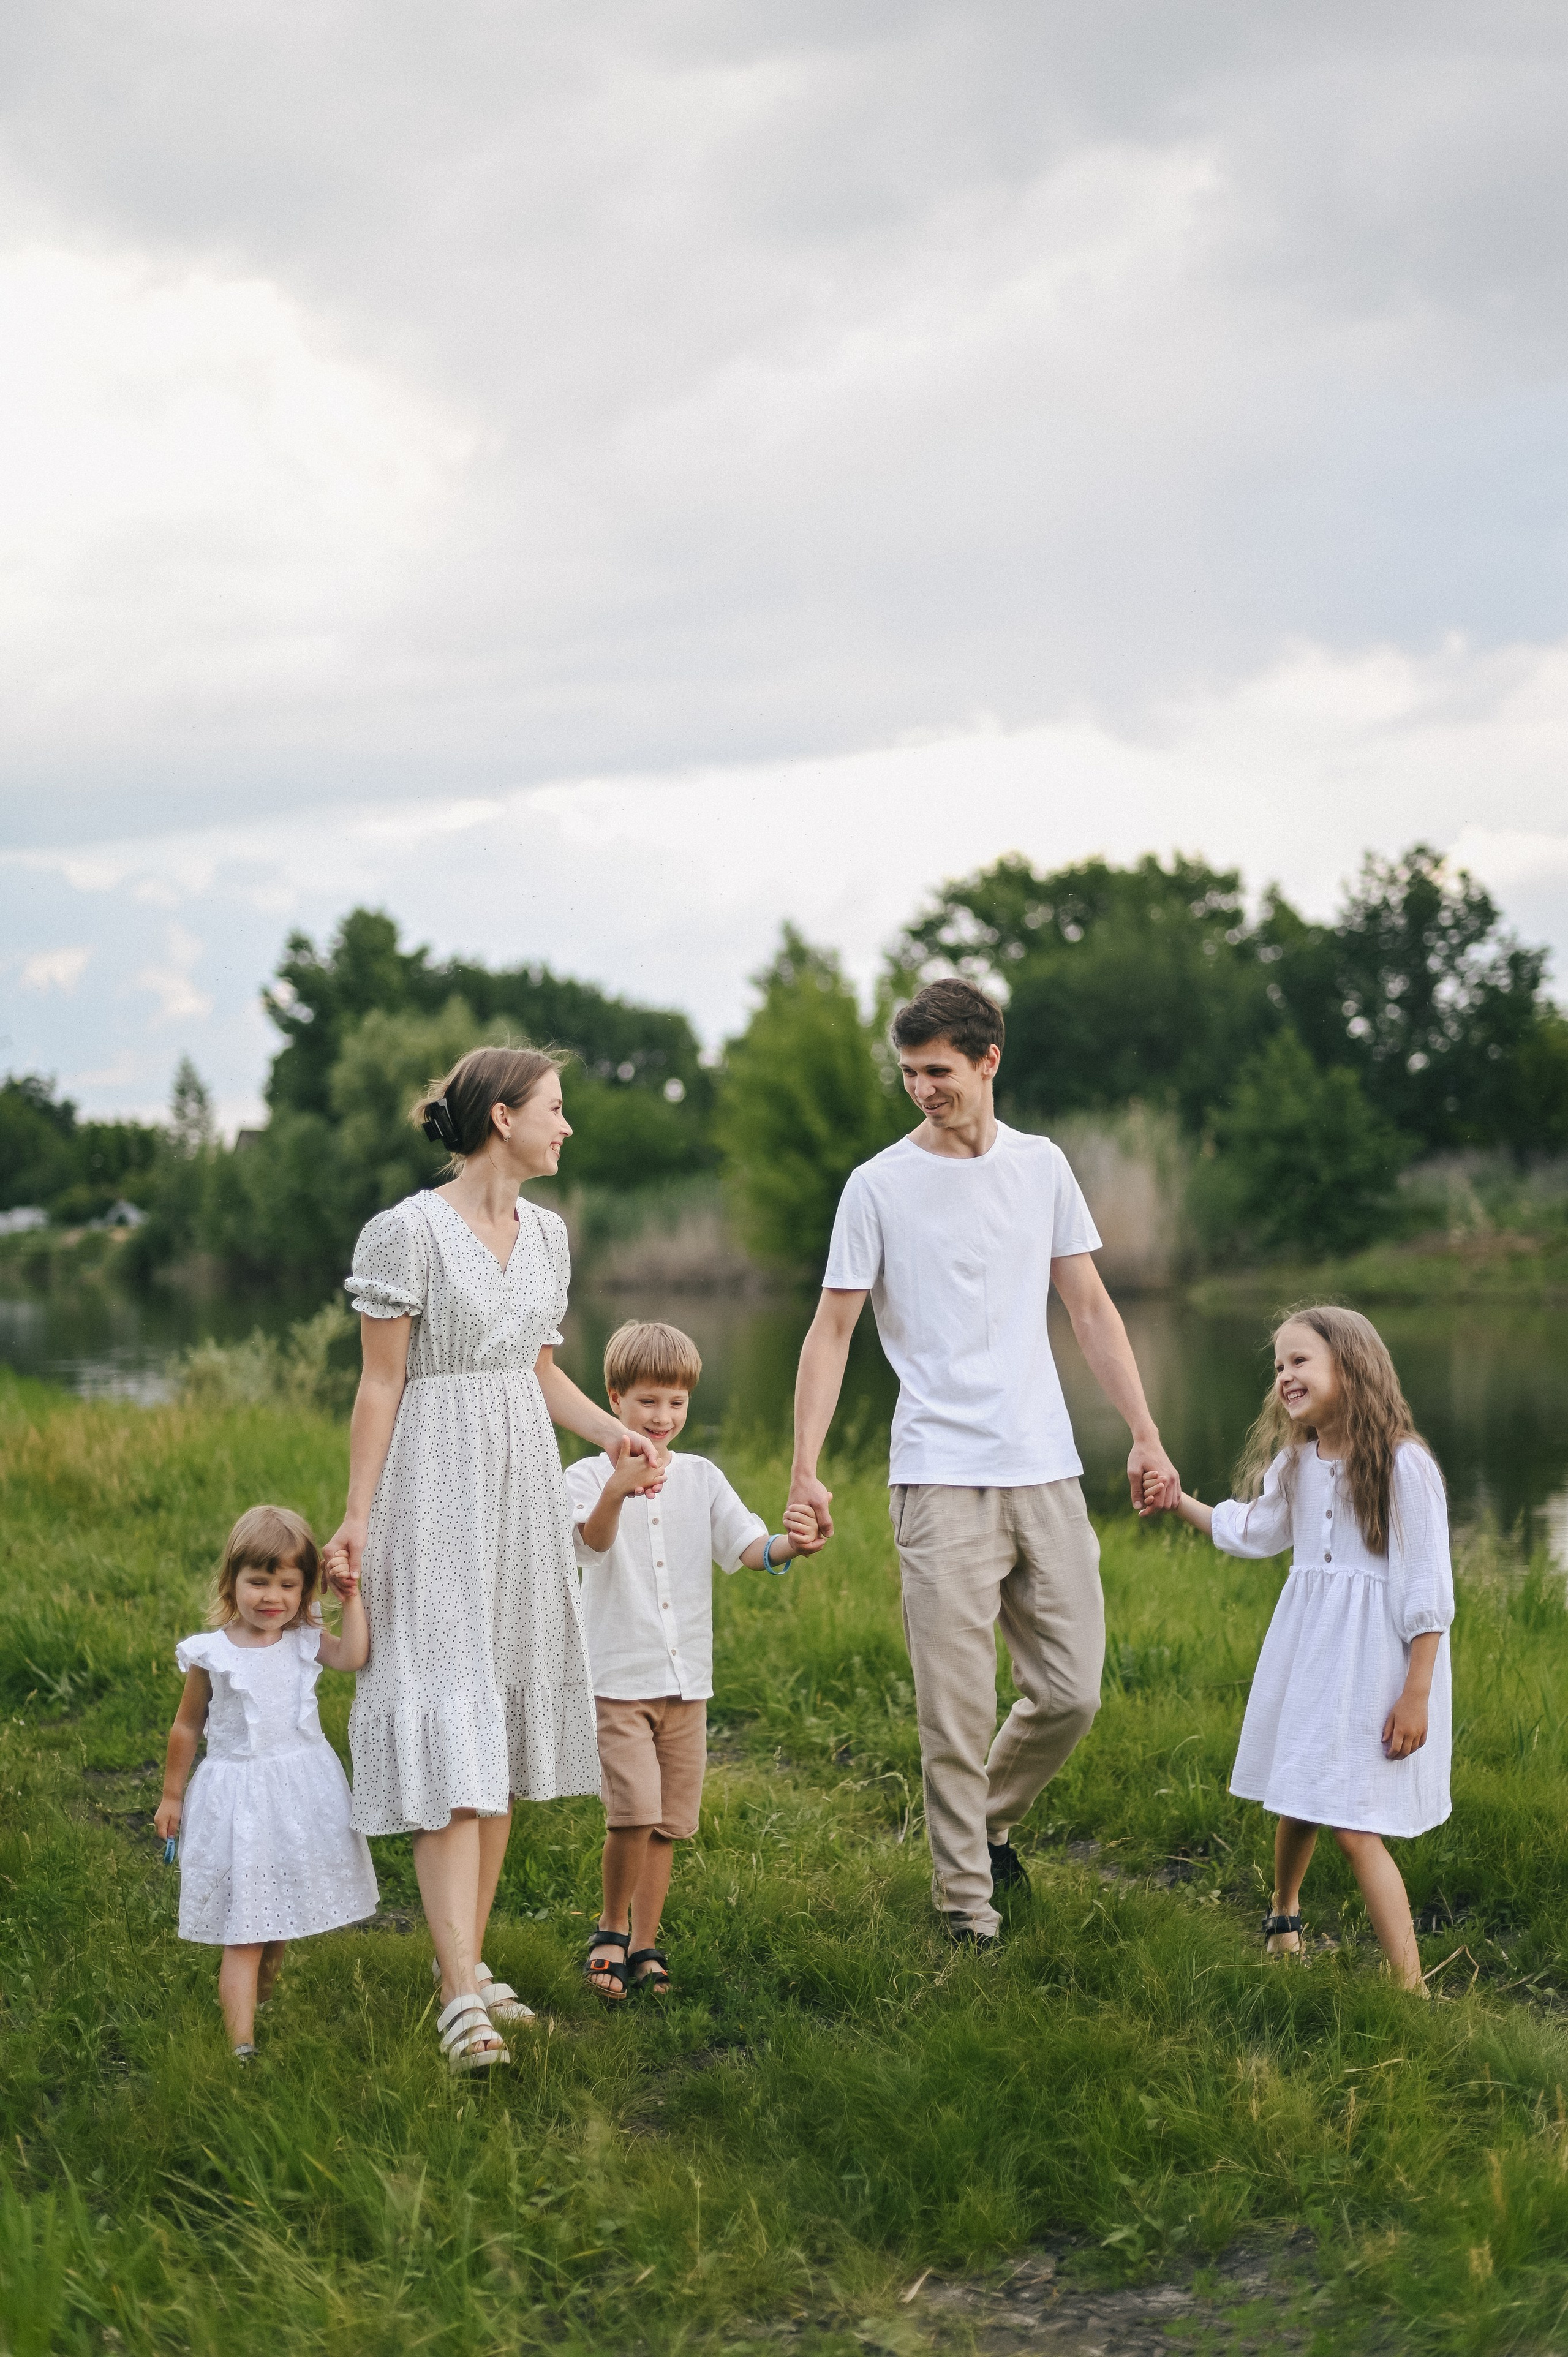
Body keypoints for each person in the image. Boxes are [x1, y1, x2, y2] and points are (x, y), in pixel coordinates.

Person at [788, 976, 1180, 1946]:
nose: (923, 1088)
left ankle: (989, 1825)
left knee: (1072, 1688)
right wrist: (804, 1466)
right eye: (911, 1073)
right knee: (955, 1713)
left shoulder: (1042, 1167)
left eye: (939, 1070)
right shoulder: (877, 1185)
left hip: (1044, 1464)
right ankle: (966, 1904)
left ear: (988, 1059)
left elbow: (1089, 1307)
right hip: (938, 1474)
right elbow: (832, 1332)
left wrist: (1145, 1432)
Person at [324, 1044, 663, 2075]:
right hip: (434, 1487)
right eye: (556, 1109)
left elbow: (541, 1372)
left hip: (519, 1483)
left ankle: (459, 1968)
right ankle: (462, 1993)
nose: (567, 1127)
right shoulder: (407, 1231)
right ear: (503, 1115)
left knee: (501, 1722)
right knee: (447, 1720)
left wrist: (614, 1435)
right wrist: (356, 1520)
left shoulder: (549, 1234)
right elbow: (382, 1385)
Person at [1154, 1303, 1452, 1991]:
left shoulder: (1404, 1466)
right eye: (1279, 1364)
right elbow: (1254, 1530)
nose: (1284, 1375)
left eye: (1300, 1361)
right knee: (1300, 1789)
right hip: (1313, 1653)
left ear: (1350, 1366)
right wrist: (1179, 1504)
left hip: (1379, 1664)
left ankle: (1410, 1989)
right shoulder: (1298, 1461)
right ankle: (1283, 1915)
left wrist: (1416, 1691)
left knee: (1352, 1825)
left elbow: (1427, 1589)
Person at [564, 1320, 824, 2002]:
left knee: (669, 1821)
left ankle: (647, 1940)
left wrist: (791, 1546)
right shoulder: (586, 1475)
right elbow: (588, 1546)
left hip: (686, 1685)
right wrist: (618, 1487)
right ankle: (609, 1929)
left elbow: (745, 1548)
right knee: (631, 1811)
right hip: (618, 1680)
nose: (663, 1416)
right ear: (614, 1398)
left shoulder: (702, 1477)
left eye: (676, 1402)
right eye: (648, 1401)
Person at [154, 1504, 377, 2061]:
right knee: (245, 1927)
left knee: (279, 1916)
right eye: (257, 1582)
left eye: (287, 1584)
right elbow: (187, 1725)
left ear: (305, 1591)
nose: (271, 1597)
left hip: (300, 1794)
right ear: (233, 1582)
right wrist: (172, 1795)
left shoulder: (304, 1640)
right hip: (238, 1799)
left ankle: (263, 1995)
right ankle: (241, 2046)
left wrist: (350, 1598)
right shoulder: (214, 1654)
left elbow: (354, 1657)